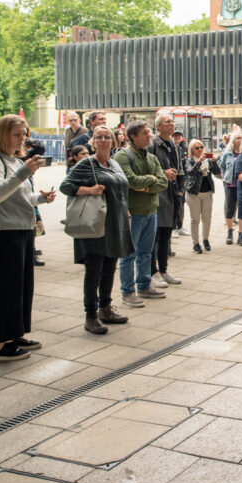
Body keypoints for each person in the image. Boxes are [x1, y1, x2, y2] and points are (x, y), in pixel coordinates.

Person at [0, 114, 56, 361]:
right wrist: (24, 172)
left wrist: (41, 198)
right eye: (17, 134)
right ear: (3, 134)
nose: (22, 139)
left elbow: (22, 197)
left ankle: (15, 334)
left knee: (21, 287)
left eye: (24, 134)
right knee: (5, 289)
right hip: (3, 232)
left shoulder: (13, 160)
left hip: (22, 229)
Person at [60, 125, 132, 334]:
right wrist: (89, 190)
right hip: (95, 224)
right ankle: (90, 315)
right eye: (99, 137)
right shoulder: (86, 164)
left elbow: (121, 192)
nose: (103, 140)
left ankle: (106, 309)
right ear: (92, 142)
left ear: (113, 141)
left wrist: (126, 214)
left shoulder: (114, 164)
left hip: (114, 224)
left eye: (107, 137)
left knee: (109, 267)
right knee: (94, 270)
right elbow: (66, 186)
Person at [114, 120, 168, 307]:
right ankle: (128, 292)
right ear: (132, 137)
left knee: (146, 252)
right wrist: (151, 180)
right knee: (129, 254)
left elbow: (163, 182)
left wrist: (146, 186)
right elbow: (131, 181)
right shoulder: (123, 156)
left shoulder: (151, 158)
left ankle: (144, 286)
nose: (150, 135)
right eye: (145, 133)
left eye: (149, 132)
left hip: (151, 211)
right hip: (133, 213)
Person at [147, 112, 183, 287]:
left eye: (172, 122)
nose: (172, 124)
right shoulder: (152, 144)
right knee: (155, 235)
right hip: (158, 195)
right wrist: (163, 173)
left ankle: (163, 270)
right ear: (158, 126)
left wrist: (180, 190)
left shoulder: (173, 144)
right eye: (167, 122)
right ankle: (152, 272)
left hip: (172, 194)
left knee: (166, 235)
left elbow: (178, 168)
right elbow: (146, 169)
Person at [183, 139, 220, 253]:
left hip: (207, 193)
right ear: (192, 150)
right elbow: (190, 173)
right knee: (195, 220)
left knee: (207, 219)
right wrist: (199, 162)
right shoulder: (189, 160)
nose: (199, 150)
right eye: (196, 148)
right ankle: (196, 243)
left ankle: (205, 239)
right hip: (194, 193)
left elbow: (217, 173)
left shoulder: (207, 161)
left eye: (201, 147)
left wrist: (214, 162)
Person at [220, 133, 242, 245]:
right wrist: (225, 178)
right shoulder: (227, 154)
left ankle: (241, 234)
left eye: (241, 138)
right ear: (233, 140)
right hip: (230, 185)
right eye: (238, 138)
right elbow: (223, 167)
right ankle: (230, 232)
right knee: (230, 210)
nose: (240, 140)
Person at [171, 130, 188, 237]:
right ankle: (173, 228)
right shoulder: (171, 148)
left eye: (179, 136)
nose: (177, 138)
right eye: (175, 136)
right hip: (173, 179)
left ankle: (180, 225)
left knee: (181, 204)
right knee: (174, 204)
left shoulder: (185, 148)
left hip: (183, 180)